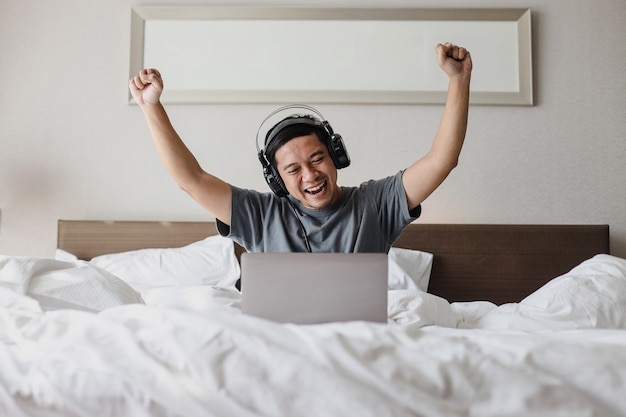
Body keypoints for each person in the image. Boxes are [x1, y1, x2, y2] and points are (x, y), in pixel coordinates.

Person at [129, 42, 472, 254]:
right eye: (292, 169)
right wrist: (151, 106)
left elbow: (442, 161)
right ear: (276, 179)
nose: (310, 175)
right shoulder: (260, 215)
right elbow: (191, 180)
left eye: (317, 158)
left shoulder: (376, 204)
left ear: (336, 156)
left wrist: (458, 80)